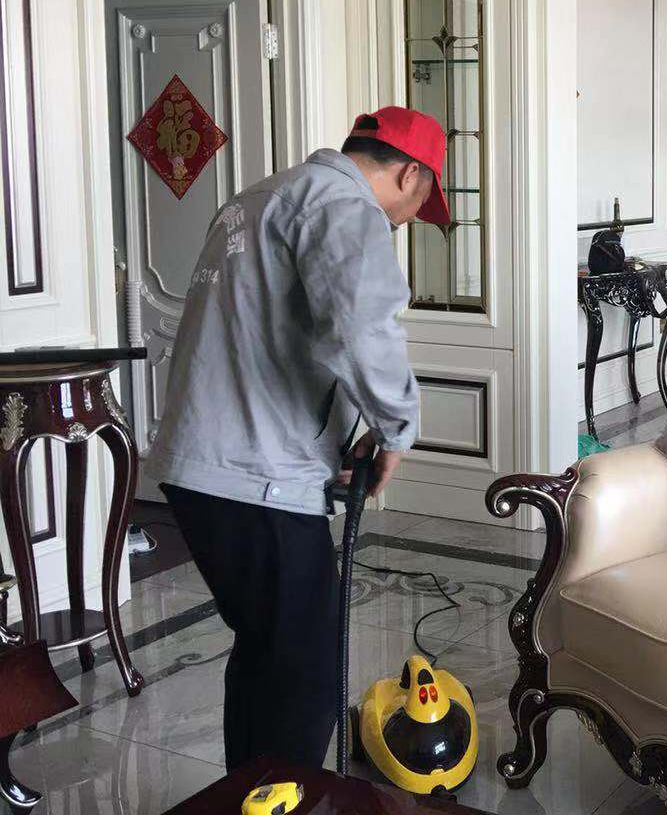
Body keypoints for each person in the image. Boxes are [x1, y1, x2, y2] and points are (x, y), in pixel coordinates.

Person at [146, 106, 449, 771]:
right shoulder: (346, 207)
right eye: (415, 209)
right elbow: (362, 328)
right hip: (256, 478)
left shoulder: (257, 199)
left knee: (267, 651)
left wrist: (340, 435)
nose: (403, 223)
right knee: (304, 671)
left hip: (201, 466)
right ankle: (288, 801)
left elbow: (273, 336)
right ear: (410, 175)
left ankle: (247, 796)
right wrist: (396, 427)